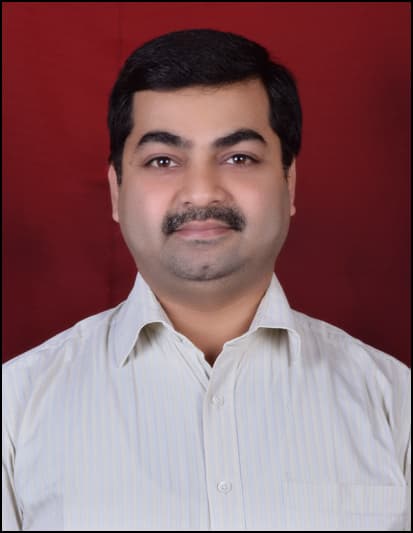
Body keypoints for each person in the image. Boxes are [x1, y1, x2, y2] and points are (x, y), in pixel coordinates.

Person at [2, 28, 410, 531]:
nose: (200, 192)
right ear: (116, 191)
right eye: (163, 160)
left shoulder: (394, 405)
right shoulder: (15, 409)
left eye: (239, 158)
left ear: (289, 183)